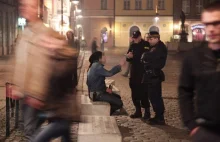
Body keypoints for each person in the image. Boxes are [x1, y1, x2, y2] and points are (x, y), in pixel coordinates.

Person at [12, 0, 78, 141]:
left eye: (31, 5)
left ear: (39, 9)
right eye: (23, 5)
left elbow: (66, 56)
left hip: (38, 95)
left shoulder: (46, 31)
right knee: (40, 129)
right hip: (27, 94)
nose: (25, 8)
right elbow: (21, 62)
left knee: (33, 132)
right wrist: (17, 85)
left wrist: (38, 93)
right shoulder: (24, 34)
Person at [178, 1, 220, 141]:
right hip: (206, 132)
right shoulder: (194, 57)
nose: (211, 29)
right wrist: (191, 124)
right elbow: (184, 91)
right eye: (207, 24)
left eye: (216, 23)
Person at [141, 31, 167, 125]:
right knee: (152, 96)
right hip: (151, 75)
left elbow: (149, 57)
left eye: (151, 39)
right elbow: (145, 57)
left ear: (157, 38)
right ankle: (158, 115)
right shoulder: (154, 47)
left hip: (154, 75)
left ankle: (160, 117)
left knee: (155, 96)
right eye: (148, 39)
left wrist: (145, 56)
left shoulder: (160, 48)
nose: (149, 41)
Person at [126, 30, 151, 119]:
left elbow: (145, 56)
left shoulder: (146, 44)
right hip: (134, 71)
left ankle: (147, 112)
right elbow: (128, 57)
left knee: (143, 92)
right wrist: (128, 57)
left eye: (136, 38)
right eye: (134, 38)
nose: (135, 39)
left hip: (142, 71)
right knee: (134, 91)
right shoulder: (132, 45)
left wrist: (134, 56)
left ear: (140, 36)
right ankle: (138, 111)